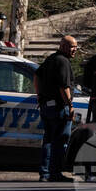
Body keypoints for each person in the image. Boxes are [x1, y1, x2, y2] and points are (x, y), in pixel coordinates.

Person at [33, 36, 78, 182]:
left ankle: (45, 173)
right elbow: (63, 87)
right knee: (60, 140)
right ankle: (55, 173)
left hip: (47, 106)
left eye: (76, 47)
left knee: (48, 140)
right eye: (72, 46)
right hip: (59, 107)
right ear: (63, 46)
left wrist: (40, 96)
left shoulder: (51, 59)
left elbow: (36, 76)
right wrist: (70, 106)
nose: (75, 50)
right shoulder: (63, 61)